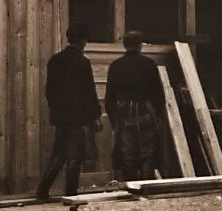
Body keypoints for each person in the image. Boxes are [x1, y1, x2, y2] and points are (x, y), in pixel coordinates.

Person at [37, 23, 102, 200]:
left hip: (61, 117)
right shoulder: (83, 62)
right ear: (83, 41)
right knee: (75, 155)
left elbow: (50, 91)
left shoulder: (55, 60)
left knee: (60, 153)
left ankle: (42, 190)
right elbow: (89, 91)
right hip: (78, 117)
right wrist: (96, 115)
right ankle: (71, 193)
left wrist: (56, 113)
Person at [105, 31, 164, 181]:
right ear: (140, 45)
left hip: (125, 114)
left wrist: (113, 118)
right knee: (148, 153)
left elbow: (110, 95)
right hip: (146, 112)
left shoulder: (116, 66)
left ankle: (131, 186)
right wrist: (158, 115)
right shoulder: (149, 64)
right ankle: (146, 185)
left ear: (125, 45)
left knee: (128, 154)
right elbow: (158, 93)